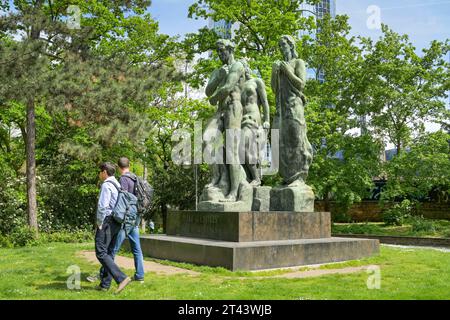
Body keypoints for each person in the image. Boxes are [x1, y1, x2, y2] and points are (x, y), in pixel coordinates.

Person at [88, 158, 145, 284]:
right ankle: (139, 275)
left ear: (119, 168)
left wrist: (100, 223)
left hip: (121, 220)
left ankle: (110, 276)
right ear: (129, 165)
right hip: (133, 219)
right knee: (136, 248)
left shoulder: (122, 180)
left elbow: (114, 203)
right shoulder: (135, 178)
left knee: (109, 251)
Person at [203, 39, 247, 202]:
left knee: (231, 151)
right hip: (220, 110)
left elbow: (228, 87)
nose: (220, 54)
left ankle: (234, 192)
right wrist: (217, 78)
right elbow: (208, 91)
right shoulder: (218, 70)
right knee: (207, 139)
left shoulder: (238, 66)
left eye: (222, 51)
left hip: (233, 108)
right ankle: (217, 178)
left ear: (230, 50)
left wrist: (215, 97)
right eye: (218, 52)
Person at [271, 35, 313, 186]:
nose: (282, 48)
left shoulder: (298, 62)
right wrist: (274, 72)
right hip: (281, 110)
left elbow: (301, 84)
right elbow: (275, 89)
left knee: (297, 140)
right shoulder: (280, 65)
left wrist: (287, 70)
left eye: (283, 45)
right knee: (281, 143)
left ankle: (299, 177)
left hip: (294, 106)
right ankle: (287, 177)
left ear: (291, 45)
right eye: (280, 46)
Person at [94, 162, 131, 293]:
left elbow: (103, 206)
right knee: (109, 252)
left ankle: (121, 278)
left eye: (100, 172)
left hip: (107, 221)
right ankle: (105, 284)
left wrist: (99, 223)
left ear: (104, 172)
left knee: (101, 251)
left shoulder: (107, 185)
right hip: (117, 222)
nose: (99, 174)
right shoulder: (118, 184)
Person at [240, 61, 270, 186]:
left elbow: (264, 102)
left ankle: (256, 178)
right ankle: (248, 177)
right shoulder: (238, 86)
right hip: (241, 121)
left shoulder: (257, 82)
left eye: (245, 66)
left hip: (253, 119)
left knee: (245, 147)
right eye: (241, 68)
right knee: (238, 150)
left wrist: (267, 120)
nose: (244, 69)